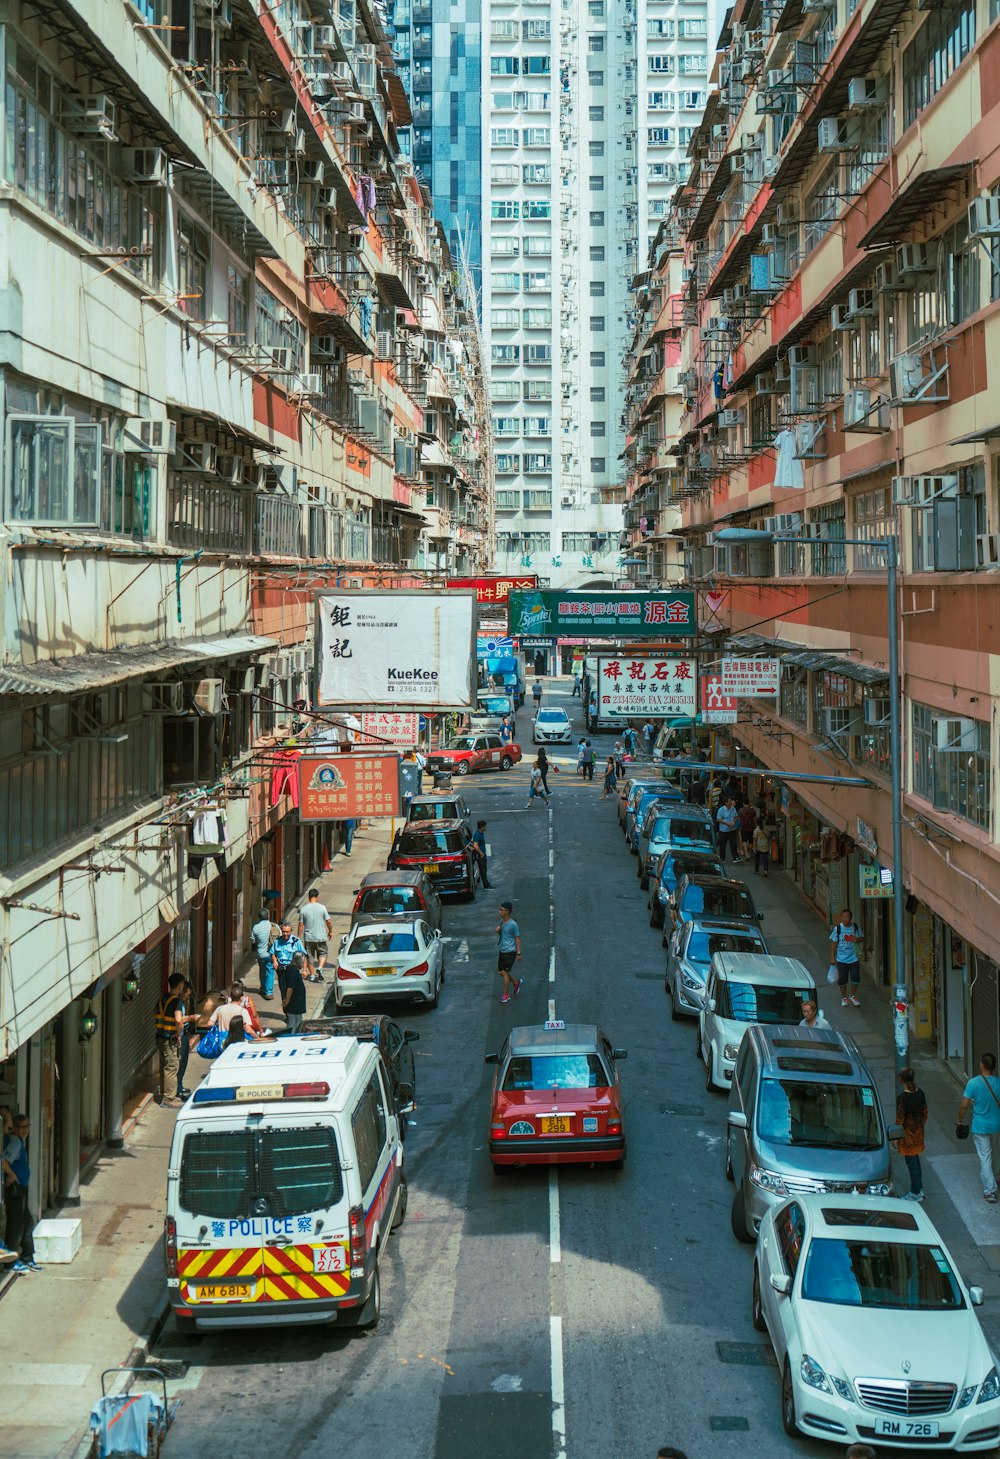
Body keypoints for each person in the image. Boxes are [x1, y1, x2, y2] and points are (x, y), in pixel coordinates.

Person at [958, 1053, 1000, 1202]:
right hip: (996, 1125)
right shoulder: (998, 1083)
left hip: (980, 1127)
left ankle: (990, 1190)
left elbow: (964, 1104)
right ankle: (996, 1179)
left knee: (985, 1157)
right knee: (995, 1154)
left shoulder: (973, 1083)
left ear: (982, 1065)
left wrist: (960, 1119)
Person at [2, 1113, 41, 1273]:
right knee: (16, 1226)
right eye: (19, 1127)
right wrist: (12, 1175)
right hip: (16, 1189)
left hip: (20, 1189)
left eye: (26, 1127)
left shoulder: (16, 1140)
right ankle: (11, 1263)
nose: (23, 1130)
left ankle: (27, 1258)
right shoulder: (15, 1143)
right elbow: (3, 1161)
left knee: (27, 1223)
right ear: (15, 1128)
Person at [154, 973, 188, 1107]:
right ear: (180, 985)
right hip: (170, 1039)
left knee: (165, 1066)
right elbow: (179, 1020)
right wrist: (179, 1034)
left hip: (161, 1037)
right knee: (171, 1068)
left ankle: (165, 1094)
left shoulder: (163, 998)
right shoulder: (177, 1001)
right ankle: (169, 1099)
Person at [896, 1068, 928, 1203]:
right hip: (919, 1133)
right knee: (916, 1161)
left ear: (900, 1080)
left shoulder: (902, 1098)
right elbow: (925, 1112)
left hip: (907, 1136)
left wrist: (896, 1138)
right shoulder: (920, 1093)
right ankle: (918, 1188)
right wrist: (920, 1126)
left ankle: (915, 1192)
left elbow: (900, 1119)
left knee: (912, 1163)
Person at [830, 907, 864, 1007]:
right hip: (841, 959)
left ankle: (852, 995)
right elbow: (833, 943)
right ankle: (844, 997)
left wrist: (856, 939)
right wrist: (832, 957)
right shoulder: (838, 929)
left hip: (854, 958)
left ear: (850, 918)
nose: (845, 919)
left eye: (847, 917)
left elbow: (862, 938)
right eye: (843, 917)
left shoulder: (855, 927)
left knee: (856, 978)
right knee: (842, 980)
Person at [299, 888, 333, 983]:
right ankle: (321, 967)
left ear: (308, 897)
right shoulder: (322, 908)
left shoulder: (303, 909)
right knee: (323, 953)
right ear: (317, 897)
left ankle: (313, 975)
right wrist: (330, 931)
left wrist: (298, 937)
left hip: (308, 938)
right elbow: (328, 921)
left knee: (309, 957)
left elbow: (301, 924)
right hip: (321, 936)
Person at [272, 921, 309, 999]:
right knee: (283, 990)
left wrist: (305, 970)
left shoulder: (296, 942)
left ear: (291, 931)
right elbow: (273, 953)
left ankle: (291, 1009)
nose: (285, 934)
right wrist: (275, 961)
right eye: (283, 932)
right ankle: (286, 1008)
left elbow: (304, 956)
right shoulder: (277, 941)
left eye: (287, 932)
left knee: (292, 990)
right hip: (281, 970)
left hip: (292, 969)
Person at [496, 901, 523, 1003]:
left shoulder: (513, 924)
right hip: (502, 950)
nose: (500, 911)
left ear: (507, 911)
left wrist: (519, 953)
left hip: (510, 951)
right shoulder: (502, 921)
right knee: (501, 972)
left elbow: (517, 938)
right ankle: (516, 982)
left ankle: (506, 995)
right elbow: (504, 936)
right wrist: (499, 931)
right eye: (499, 909)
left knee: (505, 972)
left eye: (501, 910)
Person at [251, 906, 276, 998]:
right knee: (270, 971)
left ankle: (262, 988)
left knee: (262, 971)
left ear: (259, 917)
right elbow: (279, 936)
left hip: (260, 954)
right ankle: (269, 992)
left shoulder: (255, 927)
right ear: (268, 916)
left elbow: (252, 940)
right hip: (271, 954)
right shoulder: (273, 926)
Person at [282, 951, 308, 1034]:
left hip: (297, 1006)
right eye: (303, 961)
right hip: (293, 1005)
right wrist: (287, 1000)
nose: (303, 963)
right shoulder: (292, 972)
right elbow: (290, 988)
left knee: (298, 1025)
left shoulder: (294, 971)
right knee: (292, 1025)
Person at [716, 796, 740, 863]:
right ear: (726, 802)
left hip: (732, 829)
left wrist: (734, 822)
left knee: (734, 844)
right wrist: (727, 823)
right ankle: (722, 858)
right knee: (723, 845)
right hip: (724, 830)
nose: (731, 802)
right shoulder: (721, 810)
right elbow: (718, 819)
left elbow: (736, 816)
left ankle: (735, 857)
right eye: (729, 801)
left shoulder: (733, 808)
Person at [472, 819, 491, 888]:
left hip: (482, 854)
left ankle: (485, 883)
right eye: (485, 826)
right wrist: (481, 853)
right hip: (481, 855)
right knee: (483, 870)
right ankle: (486, 885)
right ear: (481, 827)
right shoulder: (477, 835)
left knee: (484, 869)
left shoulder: (480, 833)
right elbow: (475, 845)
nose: (486, 828)